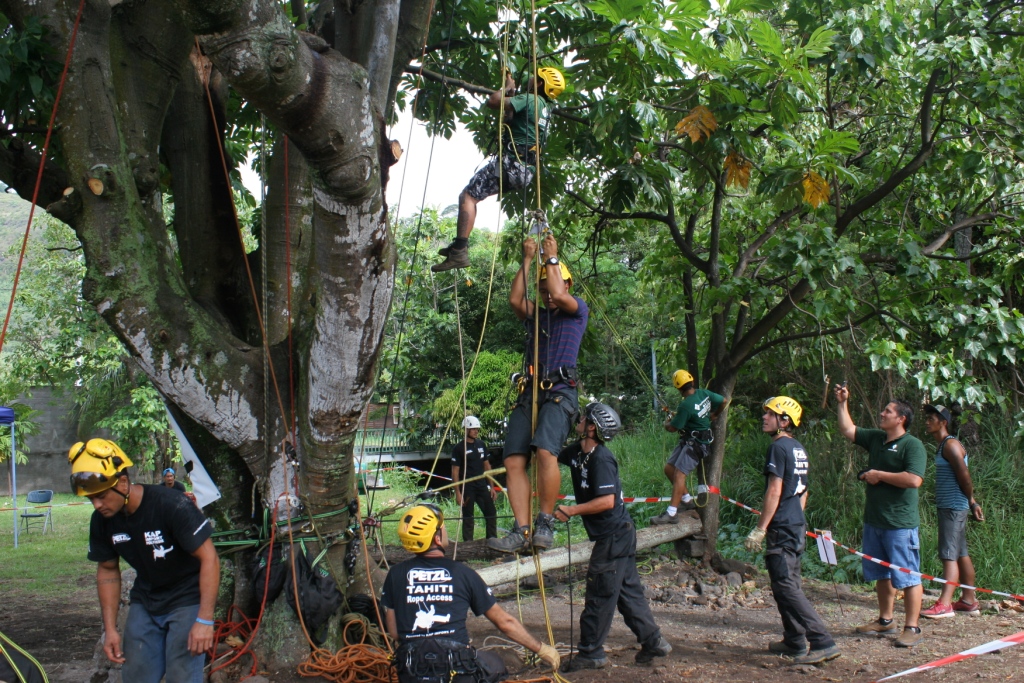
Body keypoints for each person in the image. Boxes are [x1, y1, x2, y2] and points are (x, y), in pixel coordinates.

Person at [70, 438, 220, 683]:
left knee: (181, 676)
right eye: (91, 499)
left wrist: (204, 620)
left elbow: (210, 558)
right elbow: (107, 569)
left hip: (188, 598)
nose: (97, 505)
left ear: (123, 483)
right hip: (146, 598)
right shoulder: (102, 521)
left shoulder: (171, 504)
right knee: (137, 674)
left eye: (102, 496)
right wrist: (110, 629)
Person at [380, 504, 560, 683]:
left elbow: (395, 632)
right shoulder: (462, 573)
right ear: (436, 538)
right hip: (456, 671)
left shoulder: (395, 574)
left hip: (412, 671)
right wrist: (542, 649)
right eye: (442, 526)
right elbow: (504, 622)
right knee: (495, 664)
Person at [488, 234, 587, 554]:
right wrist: (528, 260)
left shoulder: (576, 311)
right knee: (513, 459)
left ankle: (545, 521)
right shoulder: (537, 317)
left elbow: (558, 292)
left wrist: (552, 257)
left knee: (545, 451)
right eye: (541, 291)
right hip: (530, 393)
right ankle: (522, 529)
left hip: (560, 392)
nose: (548, 296)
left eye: (551, 289)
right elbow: (515, 300)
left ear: (567, 285)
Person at [554, 402, 671, 671]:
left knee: (599, 592)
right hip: (617, 535)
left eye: (584, 417)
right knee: (628, 594)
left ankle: (591, 653)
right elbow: (551, 455)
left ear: (591, 428)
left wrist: (571, 510)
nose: (579, 419)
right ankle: (653, 641)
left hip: (614, 536)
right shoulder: (577, 452)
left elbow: (607, 501)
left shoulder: (601, 458)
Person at [432, 67, 565, 273]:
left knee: (468, 196)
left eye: (535, 77)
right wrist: (512, 94)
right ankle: (458, 248)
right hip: (524, 171)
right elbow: (509, 120)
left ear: (540, 83)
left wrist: (506, 87)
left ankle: (459, 250)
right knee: (473, 196)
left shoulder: (530, 99)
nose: (530, 78)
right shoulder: (545, 109)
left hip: (511, 164)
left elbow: (494, 101)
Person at [744, 397, 840, 665]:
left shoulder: (778, 447)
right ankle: (794, 639)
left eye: (770, 414)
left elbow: (774, 490)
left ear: (784, 421)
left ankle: (822, 641)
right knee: (784, 584)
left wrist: (761, 528)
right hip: (795, 523)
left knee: (786, 585)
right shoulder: (798, 448)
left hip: (782, 527)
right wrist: (795, 518)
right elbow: (803, 491)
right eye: (765, 413)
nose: (764, 417)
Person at [834, 384, 928, 648]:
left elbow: (914, 480)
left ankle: (912, 627)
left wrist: (879, 475)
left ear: (901, 419)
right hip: (874, 520)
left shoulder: (912, 445)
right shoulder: (876, 438)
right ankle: (886, 621)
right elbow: (848, 429)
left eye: (888, 411)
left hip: (900, 524)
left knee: (908, 576)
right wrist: (842, 402)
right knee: (881, 573)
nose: (882, 413)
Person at [920, 404, 985, 618]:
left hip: (953, 507)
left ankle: (945, 604)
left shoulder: (950, 445)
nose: (927, 421)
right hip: (953, 505)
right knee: (960, 553)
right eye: (927, 418)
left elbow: (964, 476)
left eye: (932, 418)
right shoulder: (944, 445)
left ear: (943, 422)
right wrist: (971, 502)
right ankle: (968, 600)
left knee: (948, 554)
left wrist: (971, 502)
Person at [650, 369, 726, 525]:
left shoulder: (685, 405)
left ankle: (671, 513)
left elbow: (673, 428)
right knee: (669, 469)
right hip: (689, 440)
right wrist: (715, 414)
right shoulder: (704, 394)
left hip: (696, 444)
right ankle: (686, 500)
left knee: (679, 474)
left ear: (678, 388)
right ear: (692, 382)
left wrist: (666, 423)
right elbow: (724, 401)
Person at [451, 415, 498, 541]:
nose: (476, 431)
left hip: (481, 486)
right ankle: (468, 544)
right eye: (473, 429)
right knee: (468, 517)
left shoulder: (481, 445)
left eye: (477, 429)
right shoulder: (459, 448)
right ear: (466, 430)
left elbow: (487, 466)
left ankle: (492, 540)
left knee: (491, 513)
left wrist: (492, 487)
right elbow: (455, 471)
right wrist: (458, 492)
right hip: (467, 488)